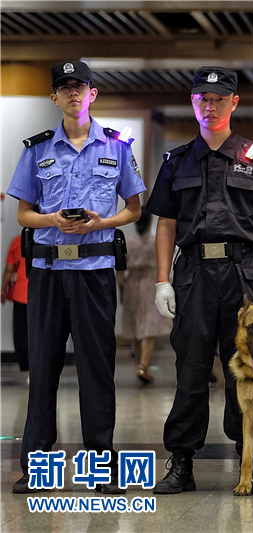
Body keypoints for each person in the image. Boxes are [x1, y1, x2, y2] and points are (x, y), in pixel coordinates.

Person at [145, 66, 253, 494]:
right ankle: (182, 461)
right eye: (201, 99)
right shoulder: (177, 160)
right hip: (193, 274)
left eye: (217, 99)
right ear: (193, 102)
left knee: (247, 373)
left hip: (243, 275)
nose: (208, 106)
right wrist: (162, 281)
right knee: (191, 368)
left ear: (233, 103)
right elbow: (166, 224)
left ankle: (247, 460)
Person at [7, 60, 146, 494]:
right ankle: (36, 467)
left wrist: (98, 223)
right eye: (64, 87)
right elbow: (23, 213)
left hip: (94, 273)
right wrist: (50, 217)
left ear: (93, 93)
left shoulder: (119, 147)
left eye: (80, 86)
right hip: (47, 272)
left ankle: (102, 470)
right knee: (43, 368)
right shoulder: (37, 148)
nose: (72, 93)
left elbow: (134, 208)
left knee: (97, 370)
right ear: (53, 97)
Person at [117, 211, 172, 385]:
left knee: (136, 325)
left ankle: (141, 364)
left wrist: (121, 289)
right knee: (149, 326)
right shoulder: (155, 242)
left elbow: (120, 269)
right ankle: (144, 364)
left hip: (132, 284)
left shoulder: (129, 242)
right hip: (150, 284)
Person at [1, 234, 29, 377]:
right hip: (43, 295)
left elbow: (9, 269)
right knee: (43, 334)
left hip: (22, 294)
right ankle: (38, 370)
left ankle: (28, 368)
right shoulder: (49, 239)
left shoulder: (18, 241)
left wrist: (3, 289)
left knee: (22, 334)